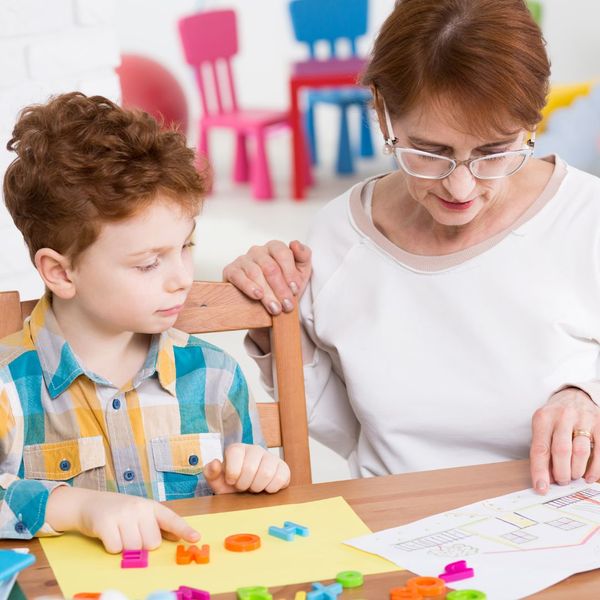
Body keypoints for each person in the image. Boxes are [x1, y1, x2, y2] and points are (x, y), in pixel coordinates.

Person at [224, 0, 600, 495]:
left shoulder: (585, 218)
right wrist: (274, 321)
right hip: (398, 523)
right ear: (382, 111)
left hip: (560, 525)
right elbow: (341, 427)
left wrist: (587, 393)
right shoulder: (337, 237)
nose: (461, 188)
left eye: (493, 152)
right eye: (430, 152)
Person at [0, 92, 290, 553]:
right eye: (148, 263)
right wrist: (77, 507)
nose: (182, 279)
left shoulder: (215, 375)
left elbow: (246, 515)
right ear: (61, 272)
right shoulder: (8, 389)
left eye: (186, 246)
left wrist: (251, 479)